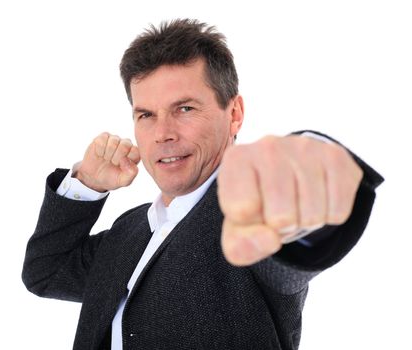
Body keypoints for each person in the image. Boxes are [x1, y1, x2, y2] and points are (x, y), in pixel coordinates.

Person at [22, 19, 383, 350]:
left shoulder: (244, 215)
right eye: (146, 115)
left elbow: (294, 236)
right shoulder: (129, 230)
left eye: (185, 109)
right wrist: (86, 184)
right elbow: (45, 273)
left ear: (235, 114)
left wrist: (311, 176)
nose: (162, 134)